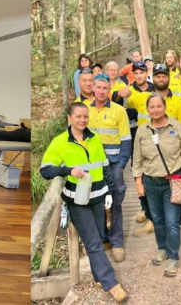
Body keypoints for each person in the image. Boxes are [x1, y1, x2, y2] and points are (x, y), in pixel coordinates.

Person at [40, 102, 128, 303]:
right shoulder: (60, 142)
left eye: (85, 117)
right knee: (94, 243)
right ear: (69, 118)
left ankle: (98, 277)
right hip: (77, 202)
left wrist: (109, 192)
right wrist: (68, 170)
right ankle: (111, 283)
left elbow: (104, 166)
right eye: (78, 116)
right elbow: (45, 170)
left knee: (99, 236)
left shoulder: (94, 138)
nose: (82, 120)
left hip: (98, 197)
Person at [132, 93, 181, 277]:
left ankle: (173, 257)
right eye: (152, 107)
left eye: (159, 106)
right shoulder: (142, 131)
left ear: (165, 107)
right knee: (157, 220)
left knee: (172, 222)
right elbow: (137, 158)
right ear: (147, 109)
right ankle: (162, 248)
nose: (156, 110)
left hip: (172, 182)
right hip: (150, 182)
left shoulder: (178, 127)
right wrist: (138, 181)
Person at [126, 63, 181, 237]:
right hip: (146, 149)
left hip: (172, 156)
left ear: (169, 78)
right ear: (152, 78)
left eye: (164, 76)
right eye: (157, 76)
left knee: (173, 202)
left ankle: (176, 221)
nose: (161, 79)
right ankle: (150, 217)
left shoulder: (177, 100)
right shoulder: (142, 97)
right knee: (147, 189)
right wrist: (119, 93)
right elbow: (121, 103)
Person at [88, 76, 133, 261]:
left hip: (113, 163)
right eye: (98, 87)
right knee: (95, 201)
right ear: (93, 88)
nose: (101, 91)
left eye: (104, 88)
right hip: (92, 165)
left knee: (115, 201)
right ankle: (101, 238)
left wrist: (121, 165)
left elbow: (126, 140)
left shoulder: (119, 111)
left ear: (109, 90)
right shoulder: (85, 110)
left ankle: (116, 242)